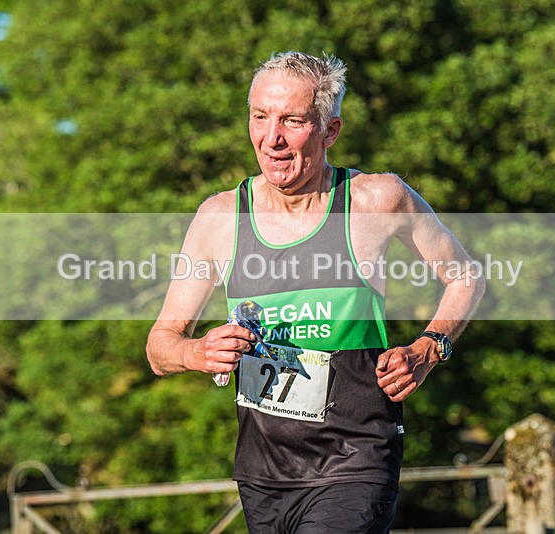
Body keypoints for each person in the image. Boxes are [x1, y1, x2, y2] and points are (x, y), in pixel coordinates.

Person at [146, 51, 484, 533]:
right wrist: (197, 351)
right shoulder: (220, 218)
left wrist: (431, 346)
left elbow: (465, 276)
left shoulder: (376, 200)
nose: (271, 138)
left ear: (330, 131)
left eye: (292, 120)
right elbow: (160, 346)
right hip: (263, 475)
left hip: (356, 459)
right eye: (260, 117)